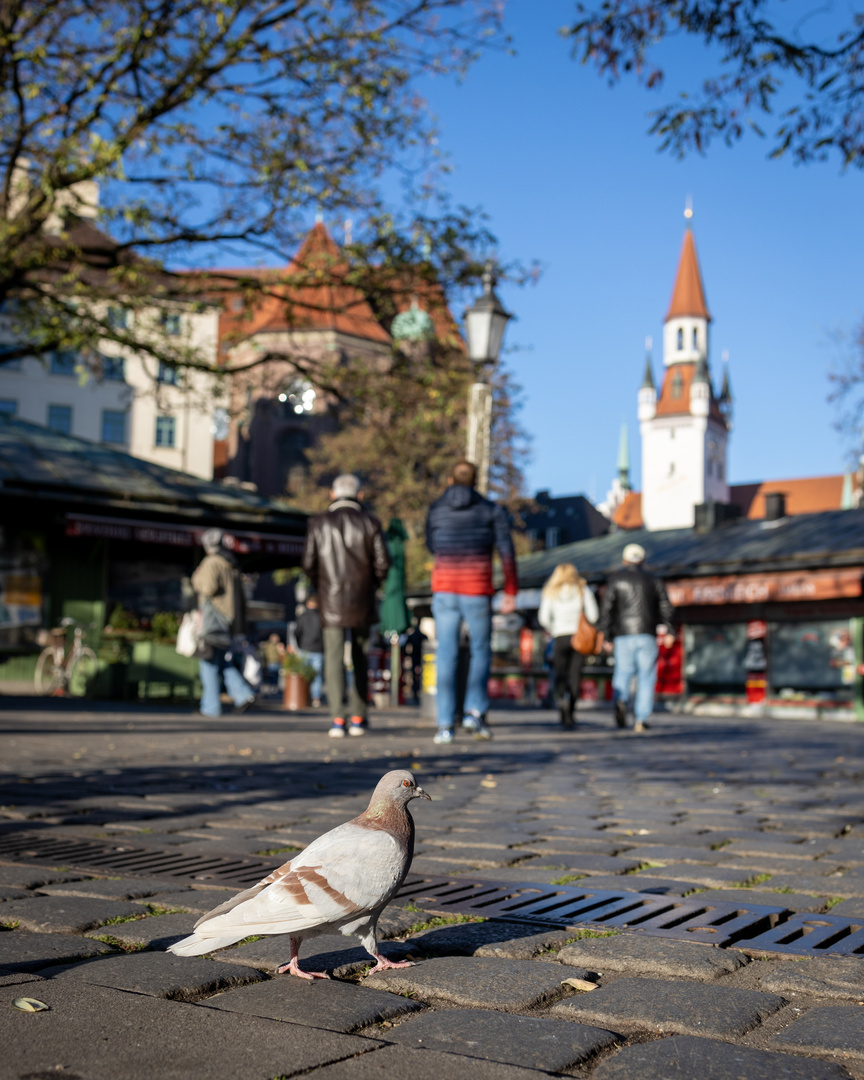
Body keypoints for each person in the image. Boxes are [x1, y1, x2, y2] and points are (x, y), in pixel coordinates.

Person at [425, 460, 518, 744]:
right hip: (477, 589)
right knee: (480, 651)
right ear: (476, 481)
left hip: (445, 589)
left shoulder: (436, 509)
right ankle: (474, 713)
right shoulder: (491, 510)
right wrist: (511, 589)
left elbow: (431, 544)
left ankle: (444, 724)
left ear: (451, 480)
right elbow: (506, 551)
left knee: (446, 654)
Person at [302, 473, 390, 737]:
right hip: (362, 600)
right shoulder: (370, 522)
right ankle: (359, 716)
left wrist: (321, 586)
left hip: (330, 600)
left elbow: (308, 562)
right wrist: (371, 584)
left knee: (332, 658)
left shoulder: (318, 523)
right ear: (360, 495)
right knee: (361, 658)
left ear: (332, 494)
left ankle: (337, 719)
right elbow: (383, 564)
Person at [597, 542, 675, 733]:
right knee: (646, 677)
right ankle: (641, 719)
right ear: (643, 560)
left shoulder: (615, 580)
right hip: (647, 634)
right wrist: (670, 630)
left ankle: (621, 700)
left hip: (623, 635)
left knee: (623, 672)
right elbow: (666, 606)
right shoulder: (654, 580)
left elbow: (607, 609)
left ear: (624, 559)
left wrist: (606, 635)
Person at [191, 528, 256, 718]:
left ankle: (210, 707)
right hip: (228, 619)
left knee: (208, 662)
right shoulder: (231, 563)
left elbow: (209, 588)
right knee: (219, 660)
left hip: (214, 619)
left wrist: (196, 577)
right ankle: (243, 694)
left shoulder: (212, 562)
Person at [538, 562, 599, 729]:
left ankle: (561, 699)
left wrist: (553, 628)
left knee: (560, 673)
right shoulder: (582, 590)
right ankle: (570, 710)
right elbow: (593, 616)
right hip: (579, 638)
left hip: (559, 636)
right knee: (575, 675)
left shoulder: (551, 591)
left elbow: (543, 618)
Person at [294, 595, 324, 707]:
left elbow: (297, 632)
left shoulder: (303, 616)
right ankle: (316, 698)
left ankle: (303, 696)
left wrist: (299, 644)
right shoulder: (321, 617)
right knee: (317, 675)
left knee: (303, 675)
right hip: (318, 649)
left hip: (305, 648)